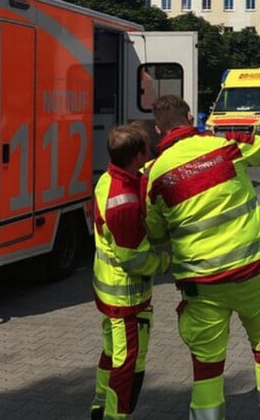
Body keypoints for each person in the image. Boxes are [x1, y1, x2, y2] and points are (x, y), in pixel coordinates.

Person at [145, 95, 260, 420]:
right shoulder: (221, 146)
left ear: (159, 130)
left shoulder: (155, 175)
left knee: (206, 368)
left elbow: (155, 234)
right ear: (189, 117)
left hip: (202, 287)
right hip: (253, 274)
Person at [90, 124, 171, 420]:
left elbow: (140, 175)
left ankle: (99, 406)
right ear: (136, 155)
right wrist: (165, 261)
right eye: (147, 149)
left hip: (108, 290)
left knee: (112, 355)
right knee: (127, 365)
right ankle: (115, 415)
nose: (150, 153)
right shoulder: (123, 203)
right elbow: (134, 261)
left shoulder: (111, 177)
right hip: (125, 299)